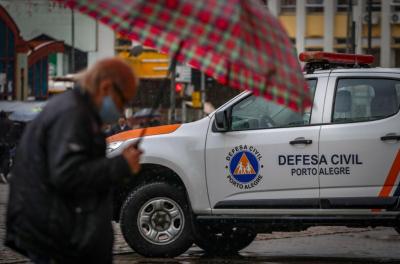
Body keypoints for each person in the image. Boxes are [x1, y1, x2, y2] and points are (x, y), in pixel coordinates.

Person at [5, 58, 143, 263]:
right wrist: (120, 165)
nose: (122, 109)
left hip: (61, 233)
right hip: (60, 239)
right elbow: (67, 174)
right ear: (106, 87)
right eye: (123, 100)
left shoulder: (77, 110)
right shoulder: (73, 114)